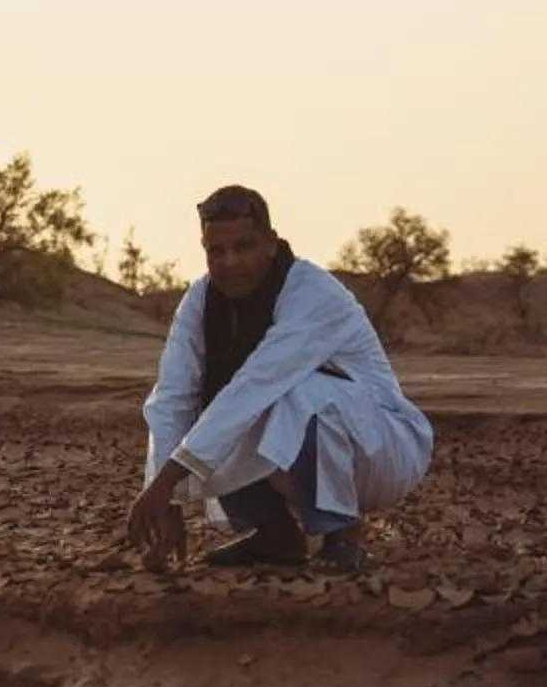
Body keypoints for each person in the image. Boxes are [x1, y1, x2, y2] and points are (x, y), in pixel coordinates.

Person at [126, 185, 433, 573]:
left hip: (383, 446)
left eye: (244, 247)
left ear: (271, 243)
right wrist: (163, 498)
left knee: (289, 392)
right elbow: (172, 396)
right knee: (214, 408)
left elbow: (256, 384)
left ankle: (342, 532)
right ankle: (276, 535)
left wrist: (168, 481)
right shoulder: (200, 301)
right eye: (216, 251)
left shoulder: (313, 292)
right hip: (305, 435)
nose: (230, 262)